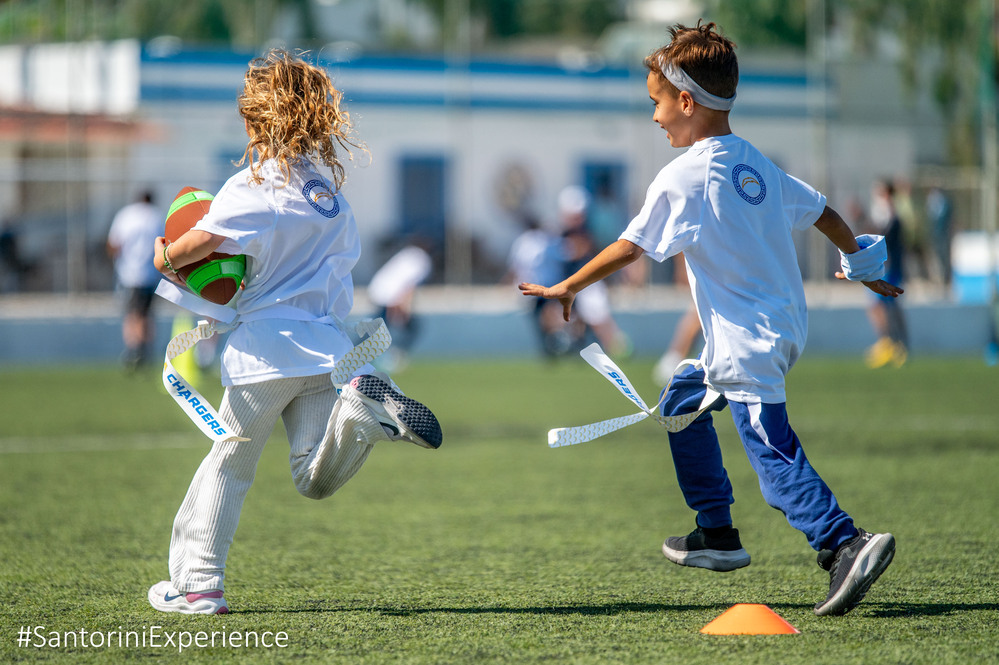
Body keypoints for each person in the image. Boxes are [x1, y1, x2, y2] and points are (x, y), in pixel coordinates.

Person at [519, 22, 901, 617]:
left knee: (769, 450)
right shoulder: (757, 164)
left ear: (686, 102)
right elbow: (823, 212)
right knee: (680, 400)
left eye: (656, 103)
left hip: (745, 340)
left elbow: (630, 245)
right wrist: (860, 261)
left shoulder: (684, 175)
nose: (654, 118)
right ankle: (717, 535)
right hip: (776, 326)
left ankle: (843, 543)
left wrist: (568, 284)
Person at [147, 49, 442, 615]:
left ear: (258, 119)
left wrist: (164, 256)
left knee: (229, 463)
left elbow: (195, 248)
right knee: (312, 477)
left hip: (264, 350)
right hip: (327, 354)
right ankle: (359, 412)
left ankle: (199, 587)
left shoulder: (250, 187)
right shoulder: (327, 196)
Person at [106, 191, 163, 369]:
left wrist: (116, 261)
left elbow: (114, 244)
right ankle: (145, 350)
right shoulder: (157, 216)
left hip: (128, 273)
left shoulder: (125, 214)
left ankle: (134, 350)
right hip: (151, 273)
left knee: (132, 314)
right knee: (146, 314)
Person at [367, 239, 434, 372]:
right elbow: (407, 286)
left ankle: (372, 358)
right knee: (399, 329)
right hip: (388, 296)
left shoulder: (408, 255)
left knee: (378, 330)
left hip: (379, 291)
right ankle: (393, 357)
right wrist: (402, 308)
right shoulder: (422, 261)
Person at [864, 179, 909, 368]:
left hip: (889, 268)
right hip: (882, 267)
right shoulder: (883, 215)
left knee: (887, 306)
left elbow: (888, 240)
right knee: (878, 306)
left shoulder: (893, 216)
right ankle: (889, 343)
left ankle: (896, 345)